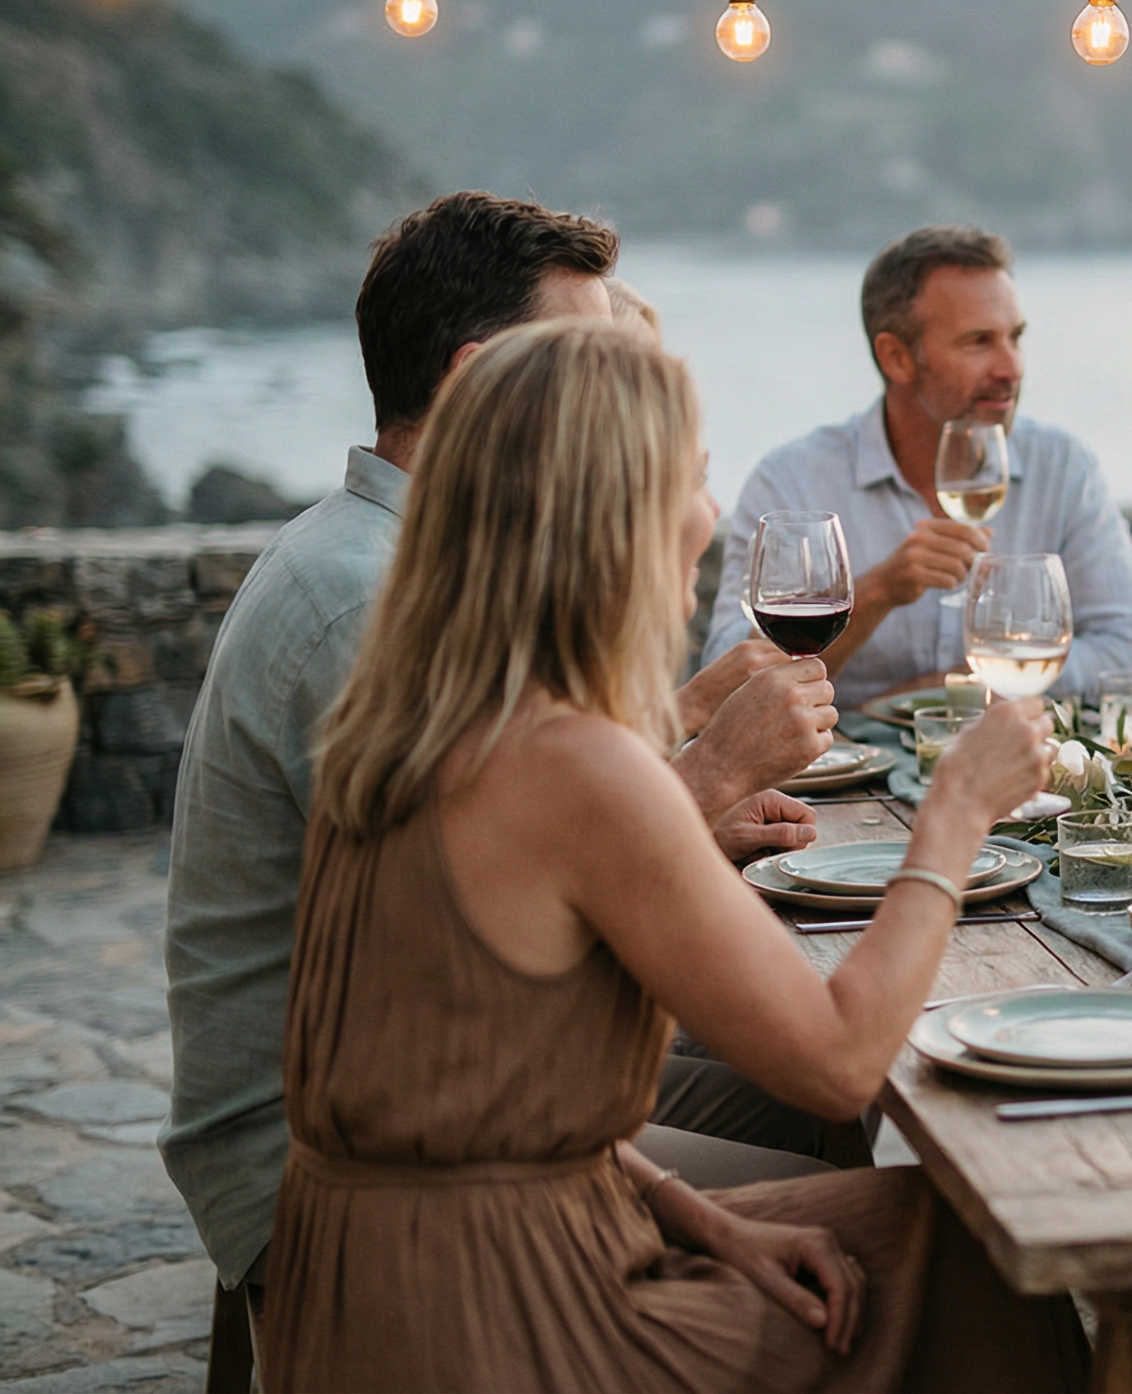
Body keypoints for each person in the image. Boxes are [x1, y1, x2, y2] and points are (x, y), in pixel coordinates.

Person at [259, 317, 1085, 1390]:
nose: (708, 515)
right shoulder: (575, 764)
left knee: (915, 1233)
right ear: (617, 516)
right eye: (693, 480)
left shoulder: (397, 721)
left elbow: (480, 1098)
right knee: (972, 1256)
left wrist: (706, 1219)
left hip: (369, 1284)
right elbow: (839, 1067)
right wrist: (955, 817)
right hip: (499, 1321)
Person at [161, 194, 844, 1329]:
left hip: (433, 1101)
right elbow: (471, 941)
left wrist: (675, 734)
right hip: (333, 1170)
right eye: (586, 357)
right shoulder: (368, 605)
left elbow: (496, 846)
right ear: (483, 380)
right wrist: (706, 775)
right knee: (848, 1151)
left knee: (810, 1110)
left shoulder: (405, 562)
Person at [708, 224, 1132, 711]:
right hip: (841, 783)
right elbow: (726, 685)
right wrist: (879, 591)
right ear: (897, 357)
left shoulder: (1063, 468)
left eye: (1015, 338)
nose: (1012, 368)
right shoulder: (791, 483)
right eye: (979, 342)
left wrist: (958, 686)